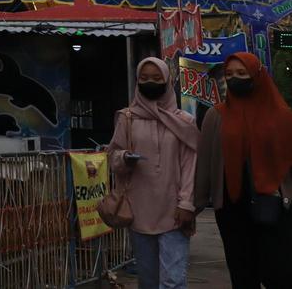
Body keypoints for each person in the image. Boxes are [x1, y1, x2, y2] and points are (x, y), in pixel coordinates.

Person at [193, 52, 292, 289]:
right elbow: (205, 165)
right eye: (229, 75)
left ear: (257, 76)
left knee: (279, 273)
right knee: (242, 274)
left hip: (275, 205)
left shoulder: (283, 116)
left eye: (241, 73)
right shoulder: (215, 116)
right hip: (231, 206)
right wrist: (193, 206)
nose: (234, 78)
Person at [105, 57, 199, 289]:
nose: (150, 82)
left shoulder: (184, 121)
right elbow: (112, 156)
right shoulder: (127, 119)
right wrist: (124, 157)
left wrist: (187, 203)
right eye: (144, 78)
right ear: (137, 82)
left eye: (157, 78)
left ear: (167, 82)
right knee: (148, 280)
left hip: (174, 212)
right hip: (139, 210)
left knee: (173, 281)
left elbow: (191, 165)